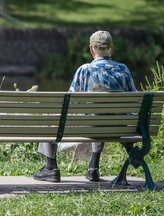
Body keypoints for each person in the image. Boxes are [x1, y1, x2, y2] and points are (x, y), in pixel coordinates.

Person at [33, 30, 137, 182]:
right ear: (111, 48)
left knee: (53, 118)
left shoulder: (84, 70)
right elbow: (135, 100)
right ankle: (93, 167)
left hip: (89, 127)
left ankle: (51, 168)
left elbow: (69, 103)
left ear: (91, 49)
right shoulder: (123, 70)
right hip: (117, 127)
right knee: (103, 115)